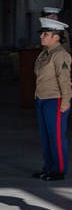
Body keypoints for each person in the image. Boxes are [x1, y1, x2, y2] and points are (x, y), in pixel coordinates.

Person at [33, 18, 71, 181]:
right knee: (45, 135)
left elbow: (64, 79)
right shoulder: (44, 53)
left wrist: (66, 101)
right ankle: (48, 167)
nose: (42, 36)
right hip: (42, 98)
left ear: (56, 37)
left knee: (56, 135)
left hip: (55, 99)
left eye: (45, 34)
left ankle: (59, 169)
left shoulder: (60, 54)